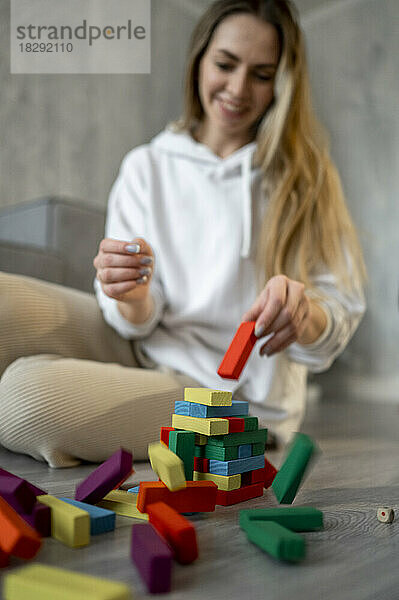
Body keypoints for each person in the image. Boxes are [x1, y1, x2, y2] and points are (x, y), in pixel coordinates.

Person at [0, 0, 366, 468]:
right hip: (142, 343)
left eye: (261, 73)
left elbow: (339, 311)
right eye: (225, 64)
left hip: (227, 395)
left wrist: (305, 314)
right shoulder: (146, 165)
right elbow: (136, 319)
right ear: (199, 61)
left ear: (282, 82)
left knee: (25, 400)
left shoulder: (306, 178)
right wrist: (131, 295)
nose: (237, 89)